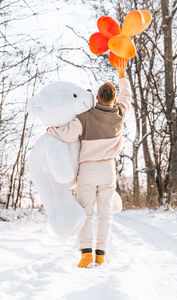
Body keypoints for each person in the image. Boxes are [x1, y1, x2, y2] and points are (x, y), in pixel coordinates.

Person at [47, 59, 131, 268]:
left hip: (88, 170)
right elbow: (127, 96)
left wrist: (51, 130)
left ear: (96, 97)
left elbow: (67, 133)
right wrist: (122, 74)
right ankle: (101, 253)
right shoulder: (120, 114)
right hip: (108, 170)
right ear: (113, 99)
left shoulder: (86, 117)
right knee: (105, 214)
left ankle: (85, 253)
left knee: (85, 212)